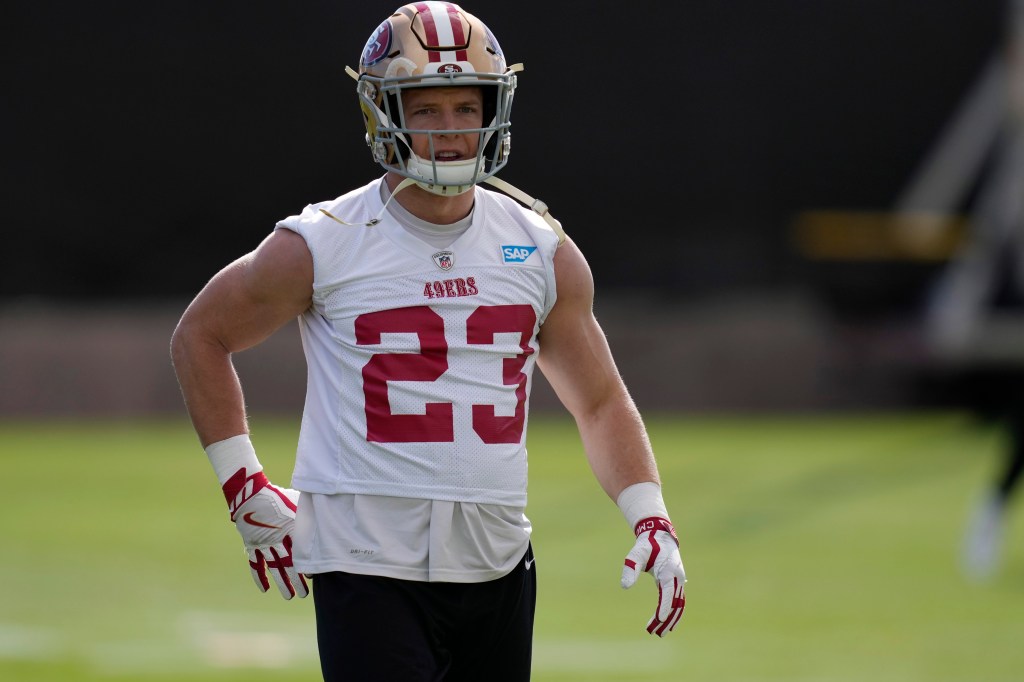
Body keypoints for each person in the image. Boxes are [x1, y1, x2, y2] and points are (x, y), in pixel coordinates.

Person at [170, 3, 686, 679]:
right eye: (426, 108)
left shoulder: (540, 248)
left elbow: (599, 402)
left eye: (466, 108)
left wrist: (651, 516)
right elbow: (201, 336)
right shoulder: (323, 242)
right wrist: (244, 486)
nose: (448, 131)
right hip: (366, 565)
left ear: (493, 110)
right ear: (382, 112)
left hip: (497, 561)